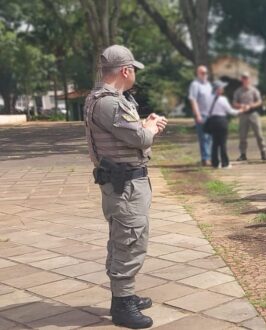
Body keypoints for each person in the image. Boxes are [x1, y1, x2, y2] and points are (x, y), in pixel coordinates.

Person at [84, 45, 167, 329]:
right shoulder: (110, 102)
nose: (135, 76)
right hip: (125, 186)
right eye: (134, 70)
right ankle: (122, 303)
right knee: (130, 240)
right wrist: (152, 127)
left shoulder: (104, 99)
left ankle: (125, 295)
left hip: (123, 183)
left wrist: (143, 126)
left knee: (124, 238)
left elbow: (127, 133)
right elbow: (140, 139)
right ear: (125, 70)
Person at [205, 81, 245, 169]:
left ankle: (215, 163)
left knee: (215, 143)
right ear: (218, 89)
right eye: (221, 88)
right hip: (221, 121)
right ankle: (225, 163)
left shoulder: (208, 98)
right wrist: (240, 111)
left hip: (213, 121)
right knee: (222, 143)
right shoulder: (222, 99)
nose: (223, 89)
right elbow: (230, 111)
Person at [234, 72, 266, 161]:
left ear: (249, 79)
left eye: (246, 78)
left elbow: (259, 102)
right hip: (243, 115)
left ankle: (263, 152)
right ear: (241, 80)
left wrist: (251, 105)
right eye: (243, 78)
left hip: (253, 114)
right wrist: (241, 105)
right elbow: (234, 103)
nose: (245, 80)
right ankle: (243, 154)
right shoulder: (238, 91)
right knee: (242, 136)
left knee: (259, 134)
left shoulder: (254, 90)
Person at [188, 65, 213, 166]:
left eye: (206, 73)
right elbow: (193, 100)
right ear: (198, 73)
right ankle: (205, 159)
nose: (204, 75)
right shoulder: (195, 84)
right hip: (201, 115)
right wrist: (197, 115)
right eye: (202, 73)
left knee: (210, 137)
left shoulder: (209, 85)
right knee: (204, 137)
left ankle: (209, 157)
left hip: (210, 115)